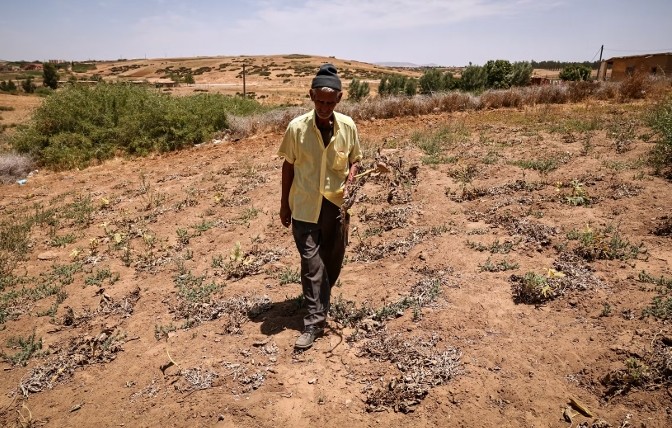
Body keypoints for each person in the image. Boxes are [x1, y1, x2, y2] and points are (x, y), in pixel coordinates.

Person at [277, 63, 362, 349]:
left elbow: (355, 160)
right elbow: (288, 167)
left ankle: (320, 301)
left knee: (332, 261)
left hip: (336, 206)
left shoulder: (348, 127)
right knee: (311, 263)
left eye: (330, 102)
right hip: (304, 206)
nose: (324, 107)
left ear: (339, 99)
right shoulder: (297, 128)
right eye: (320, 101)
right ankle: (314, 322)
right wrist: (284, 205)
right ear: (311, 96)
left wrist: (350, 182)